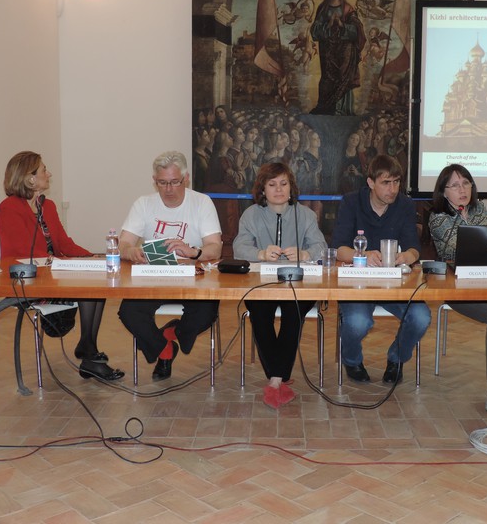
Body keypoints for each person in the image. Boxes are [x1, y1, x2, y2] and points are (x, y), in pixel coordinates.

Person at [0, 151, 124, 381]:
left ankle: (88, 349)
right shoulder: (9, 208)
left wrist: (93, 258)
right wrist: (67, 266)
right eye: (44, 170)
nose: (49, 174)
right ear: (30, 178)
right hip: (28, 282)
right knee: (88, 288)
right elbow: (24, 252)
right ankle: (89, 353)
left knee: (97, 282)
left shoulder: (47, 206)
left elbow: (64, 244)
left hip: (54, 275)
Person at [117, 151, 223, 381]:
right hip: (153, 277)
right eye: (162, 183)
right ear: (154, 181)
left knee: (206, 312)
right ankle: (165, 348)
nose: (169, 189)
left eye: (175, 182)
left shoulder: (201, 203)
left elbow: (215, 248)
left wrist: (194, 252)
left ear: (186, 179)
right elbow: (123, 244)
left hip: (193, 278)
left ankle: (172, 332)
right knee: (129, 312)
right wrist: (131, 251)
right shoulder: (144, 204)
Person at [232, 162, 327, 408]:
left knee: (293, 313)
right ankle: (279, 375)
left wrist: (305, 254)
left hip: (299, 283)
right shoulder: (250, 214)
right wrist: (261, 253)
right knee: (260, 314)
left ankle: (275, 379)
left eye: (284, 184)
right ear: (262, 189)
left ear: (291, 187)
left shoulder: (305, 215)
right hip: (261, 282)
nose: (278, 189)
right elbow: (239, 247)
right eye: (272, 184)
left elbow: (321, 247)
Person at [428, 163, 487, 414]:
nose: (462, 190)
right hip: (457, 289)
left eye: (466, 183)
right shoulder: (438, 217)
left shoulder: (479, 210)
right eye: (455, 185)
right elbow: (462, 248)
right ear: (443, 191)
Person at [331, 154, 431, 383]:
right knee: (358, 323)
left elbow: (414, 249)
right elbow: (338, 249)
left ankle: (396, 358)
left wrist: (406, 256)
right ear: (370, 182)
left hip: (394, 284)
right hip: (357, 284)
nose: (393, 189)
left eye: (396, 182)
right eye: (386, 183)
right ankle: (352, 360)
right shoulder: (351, 202)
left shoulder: (405, 205)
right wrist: (362, 255)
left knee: (421, 317)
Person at [309, 0, 366, 115]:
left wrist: (341, 24)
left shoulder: (348, 8)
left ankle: (342, 109)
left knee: (343, 75)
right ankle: (326, 108)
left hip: (345, 48)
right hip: (327, 49)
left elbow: (357, 29)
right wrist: (328, 24)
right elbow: (315, 29)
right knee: (327, 76)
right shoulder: (323, 8)